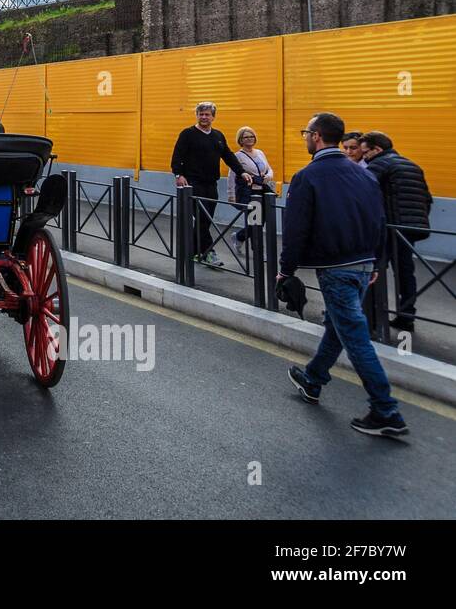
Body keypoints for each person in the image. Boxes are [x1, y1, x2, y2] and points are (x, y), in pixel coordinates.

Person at [283, 112, 407, 438]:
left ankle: (385, 410)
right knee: (339, 326)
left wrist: (285, 270)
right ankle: (313, 378)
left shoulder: (308, 176)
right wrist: (377, 263)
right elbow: (380, 220)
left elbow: (295, 229)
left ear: (318, 136)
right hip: (365, 264)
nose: (305, 137)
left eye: (306, 132)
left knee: (354, 335)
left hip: (337, 267)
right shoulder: (363, 174)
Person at [361, 131, 432, 332]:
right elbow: (427, 199)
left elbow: (362, 188)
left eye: (366, 152)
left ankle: (373, 317)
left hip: (389, 228)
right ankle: (407, 315)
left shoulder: (380, 164)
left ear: (377, 149)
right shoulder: (412, 165)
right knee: (405, 272)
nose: (364, 157)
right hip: (409, 228)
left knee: (375, 269)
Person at [170, 102, 251, 270]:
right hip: (192, 183)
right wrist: (179, 175)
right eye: (201, 114)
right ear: (197, 116)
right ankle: (208, 253)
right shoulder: (187, 134)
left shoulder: (218, 136)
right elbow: (177, 156)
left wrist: (241, 172)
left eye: (207, 114)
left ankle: (192, 251)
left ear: (213, 117)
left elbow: (228, 156)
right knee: (202, 218)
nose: (204, 117)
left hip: (210, 184)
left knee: (205, 220)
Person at [226, 126, 275, 254]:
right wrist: (231, 195)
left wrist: (269, 176)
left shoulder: (260, 153)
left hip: (263, 192)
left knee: (260, 222)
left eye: (251, 136)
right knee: (255, 223)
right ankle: (258, 251)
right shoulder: (238, 156)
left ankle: (239, 237)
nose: (249, 139)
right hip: (250, 194)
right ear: (240, 140)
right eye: (246, 137)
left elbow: (269, 168)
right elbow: (231, 176)